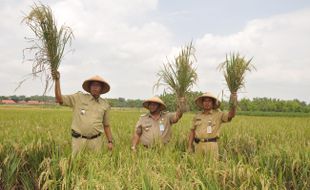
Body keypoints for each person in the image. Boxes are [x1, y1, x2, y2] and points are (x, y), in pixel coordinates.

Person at [53, 71, 113, 155]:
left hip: (96, 141)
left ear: (101, 88)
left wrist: (110, 141)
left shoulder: (105, 105)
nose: (95, 87)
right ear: (90, 87)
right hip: (79, 140)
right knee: (77, 164)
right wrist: (57, 80)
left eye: (97, 85)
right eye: (93, 85)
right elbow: (59, 99)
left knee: (95, 164)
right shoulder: (79, 98)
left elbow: (106, 125)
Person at [188, 92, 237, 160]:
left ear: (213, 103)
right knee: (197, 167)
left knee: (212, 168)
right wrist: (189, 146)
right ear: (202, 103)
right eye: (205, 100)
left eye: (209, 101)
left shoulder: (219, 114)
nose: (207, 103)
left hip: (211, 145)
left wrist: (233, 102)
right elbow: (192, 131)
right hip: (198, 145)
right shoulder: (197, 116)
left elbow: (231, 115)